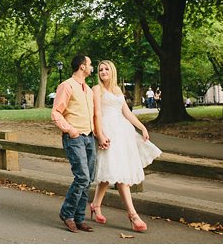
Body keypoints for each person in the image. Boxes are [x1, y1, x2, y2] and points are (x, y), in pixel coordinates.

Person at [90, 60, 161, 232]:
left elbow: (126, 112)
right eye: (100, 69)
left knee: (111, 170)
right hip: (107, 132)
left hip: (122, 133)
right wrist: (100, 135)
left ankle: (95, 205)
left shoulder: (117, 90)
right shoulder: (96, 89)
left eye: (106, 69)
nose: (103, 71)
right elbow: (96, 113)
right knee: (118, 172)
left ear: (112, 71)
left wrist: (142, 127)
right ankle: (133, 215)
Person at [51, 54, 108, 233]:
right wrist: (70, 130)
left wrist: (99, 136)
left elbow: (94, 116)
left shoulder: (89, 90)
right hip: (75, 137)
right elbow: (56, 113)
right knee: (82, 177)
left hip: (89, 137)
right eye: (90, 64)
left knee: (89, 179)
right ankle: (67, 213)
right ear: (82, 66)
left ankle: (79, 218)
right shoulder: (66, 86)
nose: (92, 67)